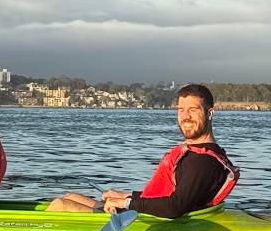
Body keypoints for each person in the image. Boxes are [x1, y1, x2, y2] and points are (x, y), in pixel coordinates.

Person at [47, 83, 237, 217]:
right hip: (145, 213)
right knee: (70, 197)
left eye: (193, 110)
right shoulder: (197, 152)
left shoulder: (202, 161)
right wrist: (126, 195)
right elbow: (168, 196)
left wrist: (127, 203)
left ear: (210, 113)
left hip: (147, 220)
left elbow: (175, 207)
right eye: (181, 110)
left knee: (59, 205)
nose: (185, 117)